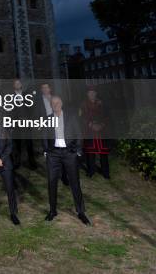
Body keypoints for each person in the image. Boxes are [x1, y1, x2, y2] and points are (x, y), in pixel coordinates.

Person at [42, 96, 90, 225]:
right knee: (52, 182)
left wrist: (78, 151)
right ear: (51, 105)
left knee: (74, 182)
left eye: (57, 102)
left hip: (69, 152)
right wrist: (46, 151)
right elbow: (45, 135)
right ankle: (52, 211)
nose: (55, 105)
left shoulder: (71, 117)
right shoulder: (48, 119)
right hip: (54, 154)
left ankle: (81, 212)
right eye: (53, 103)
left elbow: (79, 134)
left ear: (61, 103)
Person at [80, 87, 110, 179]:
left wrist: (102, 125)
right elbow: (81, 117)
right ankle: (91, 171)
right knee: (90, 153)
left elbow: (107, 116)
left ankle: (105, 172)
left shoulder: (102, 103)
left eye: (93, 92)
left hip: (101, 131)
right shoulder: (83, 104)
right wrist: (90, 125)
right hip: (90, 131)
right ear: (87, 94)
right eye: (90, 92)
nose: (92, 94)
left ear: (96, 93)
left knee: (103, 153)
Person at [7, 79, 36, 170]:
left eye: (19, 83)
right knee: (17, 145)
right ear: (13, 86)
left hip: (26, 124)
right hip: (16, 125)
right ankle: (17, 162)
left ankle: (32, 162)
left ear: (21, 85)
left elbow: (31, 109)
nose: (18, 85)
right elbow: (9, 112)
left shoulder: (27, 95)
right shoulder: (10, 97)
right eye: (16, 84)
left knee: (29, 144)